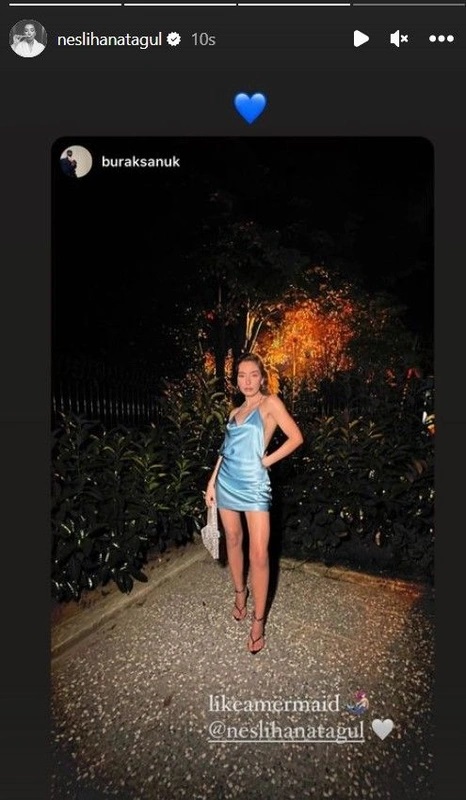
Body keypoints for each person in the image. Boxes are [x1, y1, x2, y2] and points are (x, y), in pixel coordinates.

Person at [205, 353, 303, 654]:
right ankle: (240, 592)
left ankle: (259, 621)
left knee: (259, 554)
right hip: (226, 482)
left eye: (253, 375)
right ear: (237, 380)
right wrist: (211, 482)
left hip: (255, 484)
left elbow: (296, 437)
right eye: (241, 375)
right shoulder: (234, 412)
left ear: (262, 378)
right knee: (233, 539)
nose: (247, 381)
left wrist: (266, 461)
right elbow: (225, 450)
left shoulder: (270, 404)